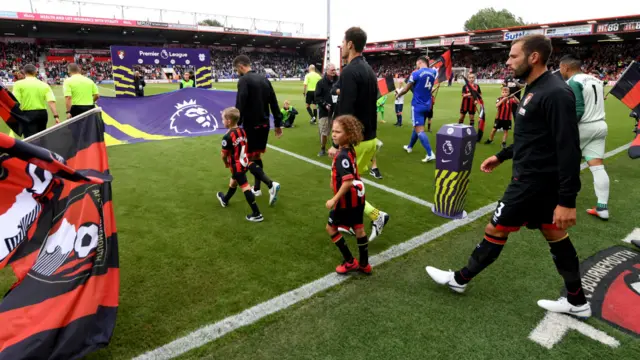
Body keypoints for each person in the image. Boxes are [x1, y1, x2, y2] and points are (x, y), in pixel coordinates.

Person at [426, 34, 592, 318]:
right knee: (555, 234)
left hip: (533, 183)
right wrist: (502, 156)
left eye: (513, 56)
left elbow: (568, 149)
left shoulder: (555, 93)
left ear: (534, 57)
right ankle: (578, 302)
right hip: (534, 179)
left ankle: (459, 280)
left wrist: (567, 200)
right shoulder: (534, 88)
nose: (507, 61)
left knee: (496, 230)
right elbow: (534, 138)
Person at [331, 26, 389, 241]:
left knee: (344, 185)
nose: (342, 46)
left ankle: (377, 215)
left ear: (350, 44)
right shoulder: (369, 70)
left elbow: (346, 111)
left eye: (343, 42)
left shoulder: (349, 71)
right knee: (351, 184)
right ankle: (346, 222)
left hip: (355, 141)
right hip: (370, 137)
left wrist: (337, 143)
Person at [559, 54, 610, 221]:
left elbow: (579, 109)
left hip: (584, 127)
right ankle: (602, 207)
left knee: (560, 161)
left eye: (560, 68)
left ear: (566, 67)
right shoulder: (594, 79)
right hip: (600, 125)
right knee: (597, 166)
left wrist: (566, 126)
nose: (560, 71)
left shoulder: (573, 82)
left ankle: (556, 201)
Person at [216, 107, 281, 222]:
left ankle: (257, 214)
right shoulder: (242, 131)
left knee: (245, 187)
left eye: (223, 119)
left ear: (229, 121)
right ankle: (225, 200)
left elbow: (223, 155)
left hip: (237, 165)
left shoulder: (226, 137)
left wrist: (225, 163)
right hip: (244, 160)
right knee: (233, 182)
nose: (222, 121)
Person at [232, 54, 283, 198]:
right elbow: (274, 102)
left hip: (251, 125)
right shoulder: (264, 79)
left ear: (241, 66)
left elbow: (240, 102)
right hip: (264, 124)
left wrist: (236, 123)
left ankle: (270, 184)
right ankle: (257, 188)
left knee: (246, 158)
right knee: (256, 156)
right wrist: (278, 123)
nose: (237, 72)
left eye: (237, 69)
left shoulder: (244, 80)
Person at [326, 115, 371, 275]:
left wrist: (334, 199)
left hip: (346, 202)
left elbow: (347, 181)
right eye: (333, 131)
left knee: (331, 228)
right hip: (359, 198)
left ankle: (350, 261)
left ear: (349, 135)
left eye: (338, 132)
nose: (334, 135)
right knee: (359, 228)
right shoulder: (349, 150)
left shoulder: (341, 156)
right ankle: (365, 264)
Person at [395, 56, 437, 163]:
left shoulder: (416, 74)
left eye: (416, 64)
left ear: (419, 62)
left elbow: (406, 89)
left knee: (419, 130)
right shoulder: (433, 73)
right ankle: (409, 147)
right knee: (417, 126)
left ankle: (430, 153)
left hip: (417, 105)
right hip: (427, 105)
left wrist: (398, 95)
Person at [11, 64, 59, 138]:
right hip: (42, 114)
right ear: (36, 72)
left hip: (27, 114)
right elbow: (51, 101)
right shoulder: (44, 85)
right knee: (42, 137)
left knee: (30, 138)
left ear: (24, 72)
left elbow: (15, 101)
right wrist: (56, 116)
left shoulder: (18, 84)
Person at [315, 63, 339, 156]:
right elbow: (317, 97)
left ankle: (336, 147)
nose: (334, 71)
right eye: (332, 70)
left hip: (337, 110)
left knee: (337, 131)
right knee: (325, 132)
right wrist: (325, 104)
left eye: (335, 70)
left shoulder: (339, 80)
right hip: (324, 111)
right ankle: (323, 148)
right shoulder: (321, 83)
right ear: (327, 71)